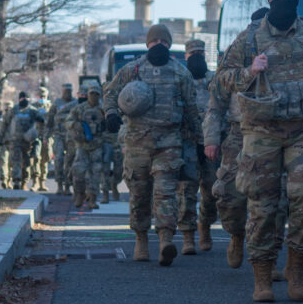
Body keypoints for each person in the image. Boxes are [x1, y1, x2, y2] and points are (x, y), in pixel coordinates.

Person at [218, 0, 303, 302]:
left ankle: (296, 268)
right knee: (262, 205)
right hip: (261, 133)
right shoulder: (250, 38)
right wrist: (250, 71)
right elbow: (223, 79)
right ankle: (262, 276)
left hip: (302, 130)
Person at [103, 24, 201, 266]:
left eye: (163, 42)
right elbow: (110, 94)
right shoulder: (132, 70)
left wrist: (199, 141)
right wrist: (111, 114)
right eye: (154, 41)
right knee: (139, 193)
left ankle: (166, 239)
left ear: (169, 44)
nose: (159, 45)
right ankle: (141, 240)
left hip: (169, 143)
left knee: (166, 193)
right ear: (148, 44)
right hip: (137, 143)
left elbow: (192, 110)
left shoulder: (181, 73)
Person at [204, 7, 287, 282]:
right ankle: (237, 233)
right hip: (237, 134)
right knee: (228, 195)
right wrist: (212, 140)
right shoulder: (235, 59)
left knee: (274, 200)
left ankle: (269, 257)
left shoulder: (285, 59)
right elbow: (215, 104)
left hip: (272, 133)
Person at [176, 38, 218, 255]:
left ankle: (205, 226)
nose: (197, 56)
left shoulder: (214, 79)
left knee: (211, 191)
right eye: (193, 53)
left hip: (210, 142)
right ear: (186, 56)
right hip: (188, 142)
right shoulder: (180, 79)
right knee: (187, 191)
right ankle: (187, 236)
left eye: (201, 52)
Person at [67, 82, 105, 209]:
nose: (94, 96)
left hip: (97, 146)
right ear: (88, 94)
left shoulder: (103, 109)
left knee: (95, 174)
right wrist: (75, 125)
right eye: (91, 94)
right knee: (78, 172)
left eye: (96, 94)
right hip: (82, 146)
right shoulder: (80, 108)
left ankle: (92, 199)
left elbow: (111, 128)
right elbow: (68, 121)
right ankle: (79, 194)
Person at [0, 92, 45, 190]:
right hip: (15, 141)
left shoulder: (33, 111)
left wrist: (40, 135)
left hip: (28, 142)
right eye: (22, 98)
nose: (25, 100)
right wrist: (0, 138)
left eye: (26, 98)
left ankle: (24, 181)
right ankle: (17, 181)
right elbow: (5, 124)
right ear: (19, 99)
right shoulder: (13, 110)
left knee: (27, 163)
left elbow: (42, 124)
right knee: (16, 161)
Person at [45, 83, 77, 195]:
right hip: (58, 135)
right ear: (62, 91)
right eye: (65, 91)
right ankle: (59, 184)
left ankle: (68, 185)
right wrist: (46, 136)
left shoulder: (76, 103)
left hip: (72, 136)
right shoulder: (57, 103)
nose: (67, 93)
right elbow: (49, 121)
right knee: (58, 159)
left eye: (69, 90)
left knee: (70, 161)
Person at [31, 86, 53, 191]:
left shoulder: (51, 107)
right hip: (36, 136)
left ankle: (42, 183)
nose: (42, 97)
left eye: (44, 95)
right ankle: (35, 182)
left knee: (45, 159)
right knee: (36, 158)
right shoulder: (33, 107)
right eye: (40, 95)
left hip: (47, 136)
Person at [0, 100, 14, 188]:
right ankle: (4, 180)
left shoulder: (15, 120)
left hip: (12, 144)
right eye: (7, 109)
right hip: (3, 143)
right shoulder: (1, 119)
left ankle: (9, 181)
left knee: (11, 164)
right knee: (3, 162)